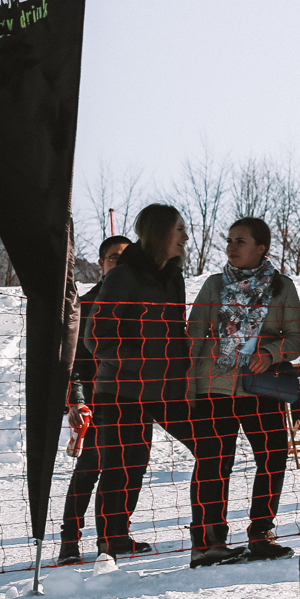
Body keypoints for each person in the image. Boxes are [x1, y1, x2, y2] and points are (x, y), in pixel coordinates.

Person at [185, 217, 300, 561]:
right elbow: (193, 336)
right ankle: (207, 542)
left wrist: (270, 354)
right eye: (229, 240)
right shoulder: (213, 285)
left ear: (261, 247)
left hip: (262, 387)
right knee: (213, 461)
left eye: (240, 241)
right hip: (214, 387)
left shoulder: (282, 288)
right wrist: (188, 386)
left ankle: (261, 534)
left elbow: (296, 337)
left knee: (273, 455)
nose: (231, 247)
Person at [86, 204, 203, 561]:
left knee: (210, 444)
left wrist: (185, 370)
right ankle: (112, 540)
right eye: (179, 230)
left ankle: (208, 531)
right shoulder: (123, 276)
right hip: (121, 389)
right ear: (160, 232)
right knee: (126, 464)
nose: (186, 237)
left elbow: (174, 333)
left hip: (167, 387)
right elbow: (96, 336)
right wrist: (140, 361)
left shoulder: (173, 277)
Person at [55, 235, 131, 566]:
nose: (119, 263)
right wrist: (77, 400)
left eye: (125, 258)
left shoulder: (136, 304)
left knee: (124, 471)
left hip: (129, 400)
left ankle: (114, 538)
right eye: (113, 257)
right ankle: (69, 541)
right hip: (96, 402)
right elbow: (72, 363)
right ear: (101, 263)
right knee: (89, 471)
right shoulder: (84, 306)